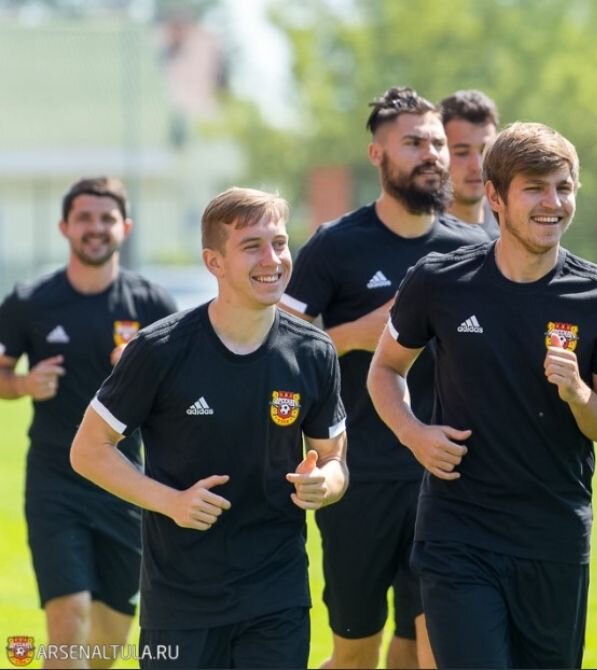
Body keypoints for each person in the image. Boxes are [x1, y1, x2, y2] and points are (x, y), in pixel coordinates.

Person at [368, 121, 597, 668]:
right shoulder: (439, 281)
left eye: (563, 188)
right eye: (534, 188)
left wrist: (579, 394)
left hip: (554, 536)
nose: (553, 203)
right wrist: (413, 433)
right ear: (494, 196)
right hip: (458, 533)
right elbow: (385, 370)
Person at [70, 187, 348, 669]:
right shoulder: (159, 350)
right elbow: (89, 449)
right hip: (180, 603)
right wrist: (171, 502)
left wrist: (324, 483)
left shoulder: (313, 351)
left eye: (280, 243)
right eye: (252, 246)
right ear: (213, 262)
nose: (273, 259)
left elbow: (334, 460)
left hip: (276, 597)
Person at [280, 85, 489, 670]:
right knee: (356, 654)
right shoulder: (335, 245)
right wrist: (356, 333)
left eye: (439, 143)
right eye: (414, 143)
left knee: (434, 645)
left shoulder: (473, 249)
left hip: (446, 476)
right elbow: (279, 348)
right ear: (377, 155)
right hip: (359, 478)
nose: (433, 155)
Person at [0, 177, 176, 669]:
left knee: (110, 637)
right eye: (84, 218)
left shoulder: (152, 304)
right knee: (69, 614)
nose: (95, 228)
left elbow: (184, 389)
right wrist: (23, 383)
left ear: (125, 227)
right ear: (65, 227)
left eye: (106, 218)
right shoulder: (31, 300)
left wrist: (144, 373)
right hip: (55, 482)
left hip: (124, 483)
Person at [439, 89, 501, 238]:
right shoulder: (413, 232)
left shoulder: (515, 228)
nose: (477, 166)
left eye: (485, 150)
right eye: (462, 152)